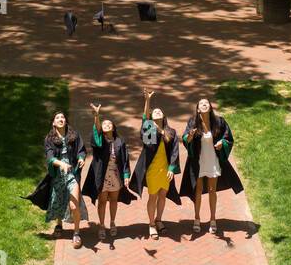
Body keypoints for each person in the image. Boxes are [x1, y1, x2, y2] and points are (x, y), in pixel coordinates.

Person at [180, 97, 242, 236]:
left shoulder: (219, 122)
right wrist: (189, 137)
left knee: (212, 190)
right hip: (198, 161)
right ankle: (197, 219)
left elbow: (228, 139)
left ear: (210, 107)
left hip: (213, 160)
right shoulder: (193, 122)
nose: (204, 104)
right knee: (198, 190)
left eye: (206, 103)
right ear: (197, 109)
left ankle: (213, 220)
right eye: (201, 103)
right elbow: (185, 138)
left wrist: (222, 143)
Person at [25, 111, 88, 248]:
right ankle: (59, 225)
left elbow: (81, 150)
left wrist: (82, 158)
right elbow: (50, 157)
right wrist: (61, 164)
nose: (61, 119)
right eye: (57, 118)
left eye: (63, 117)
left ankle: (76, 233)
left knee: (73, 205)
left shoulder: (74, 135)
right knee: (58, 201)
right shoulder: (49, 139)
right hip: (58, 176)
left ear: (66, 121)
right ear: (53, 123)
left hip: (72, 174)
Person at [126, 88, 180, 240]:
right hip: (152, 169)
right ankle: (151, 224)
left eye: (159, 111)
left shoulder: (171, 132)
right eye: (154, 112)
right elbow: (145, 120)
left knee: (163, 195)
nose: (157, 112)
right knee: (153, 196)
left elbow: (175, 151)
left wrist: (172, 168)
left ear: (164, 116)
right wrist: (147, 101)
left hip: (165, 169)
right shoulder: (149, 128)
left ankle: (159, 220)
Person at [81, 103, 133, 248]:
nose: (107, 125)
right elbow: (96, 132)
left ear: (114, 127)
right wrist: (97, 116)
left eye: (109, 123)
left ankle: (112, 223)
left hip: (115, 174)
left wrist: (126, 174)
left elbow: (125, 158)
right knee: (102, 200)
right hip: (102, 175)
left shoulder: (119, 141)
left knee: (114, 200)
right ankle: (102, 226)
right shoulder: (99, 140)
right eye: (104, 124)